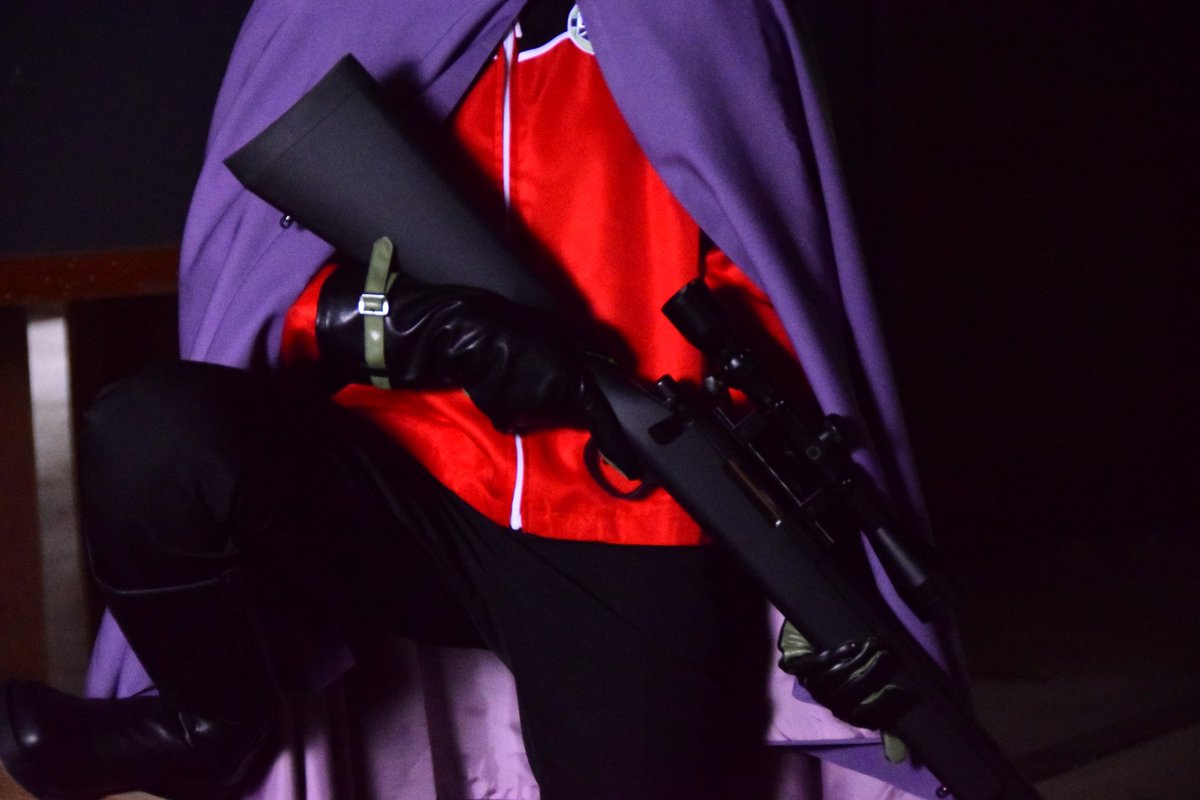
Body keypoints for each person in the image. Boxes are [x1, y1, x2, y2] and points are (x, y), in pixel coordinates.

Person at [0, 1, 951, 798]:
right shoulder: (333, 9)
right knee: (155, 434)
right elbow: (260, 268)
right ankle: (207, 726)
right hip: (406, 482)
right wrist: (400, 326)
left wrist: (810, 573)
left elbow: (775, 275)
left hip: (634, 516)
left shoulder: (701, 16)